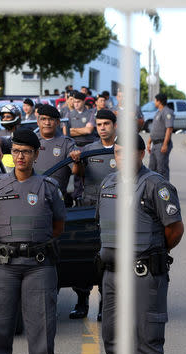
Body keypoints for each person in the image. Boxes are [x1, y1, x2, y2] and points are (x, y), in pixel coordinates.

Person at [0, 128, 66, 354]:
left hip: (38, 266)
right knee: (0, 323)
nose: (20, 157)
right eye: (16, 151)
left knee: (41, 324)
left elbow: (59, 225)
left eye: (26, 152)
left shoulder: (49, 187)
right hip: (3, 265)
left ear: (36, 154)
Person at [99, 134, 184, 354]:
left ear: (141, 154)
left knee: (147, 334)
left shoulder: (156, 186)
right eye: (117, 153)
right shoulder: (108, 185)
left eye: (128, 152)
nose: (122, 158)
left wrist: (152, 253)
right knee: (111, 333)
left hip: (144, 272)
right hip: (112, 275)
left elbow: (175, 230)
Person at [68, 109, 118, 320]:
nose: (102, 128)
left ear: (114, 125)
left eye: (106, 123)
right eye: (99, 124)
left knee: (109, 259)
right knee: (85, 256)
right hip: (88, 209)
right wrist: (77, 161)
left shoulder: (121, 150)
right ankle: (81, 302)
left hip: (114, 212)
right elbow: (76, 174)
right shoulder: (88, 149)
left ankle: (106, 306)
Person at [147, 93, 174, 181]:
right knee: (152, 168)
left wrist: (165, 144)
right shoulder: (158, 112)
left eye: (155, 100)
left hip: (162, 143)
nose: (154, 102)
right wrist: (149, 142)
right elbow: (155, 129)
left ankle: (165, 189)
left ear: (159, 101)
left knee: (161, 168)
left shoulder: (167, 112)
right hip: (155, 144)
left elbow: (169, 129)